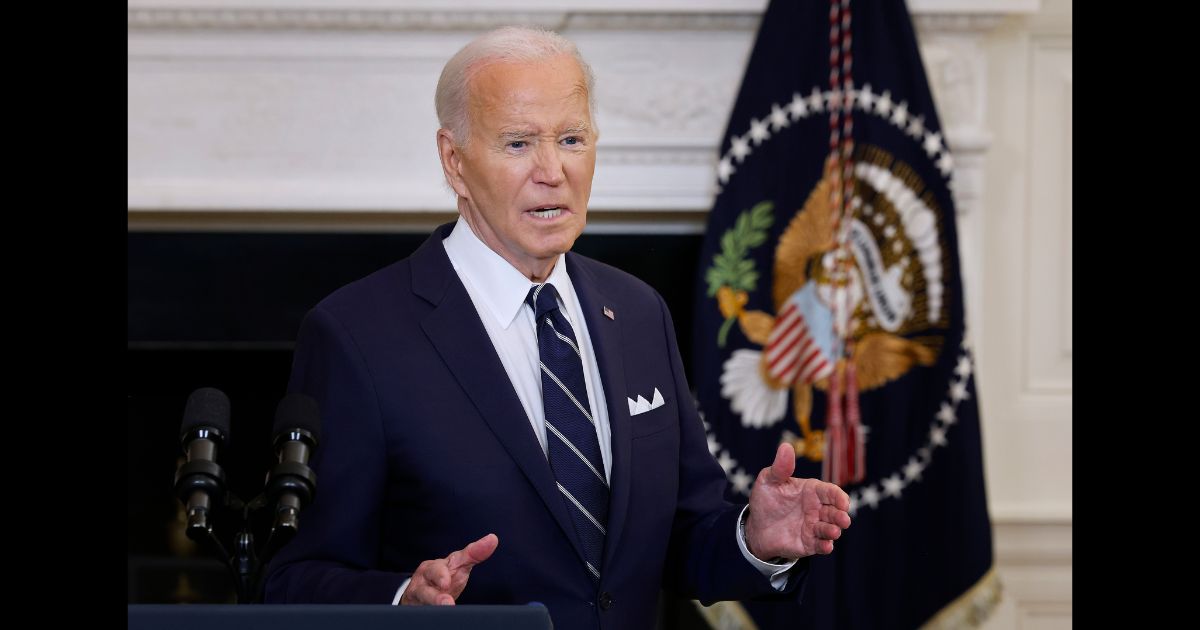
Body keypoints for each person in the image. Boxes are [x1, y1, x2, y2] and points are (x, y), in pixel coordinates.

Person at [263, 25, 851, 630]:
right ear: (454, 161)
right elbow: (295, 579)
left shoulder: (639, 311)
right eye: (518, 144)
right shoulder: (356, 335)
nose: (552, 171)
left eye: (571, 139)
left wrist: (754, 539)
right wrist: (402, 604)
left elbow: (675, 536)